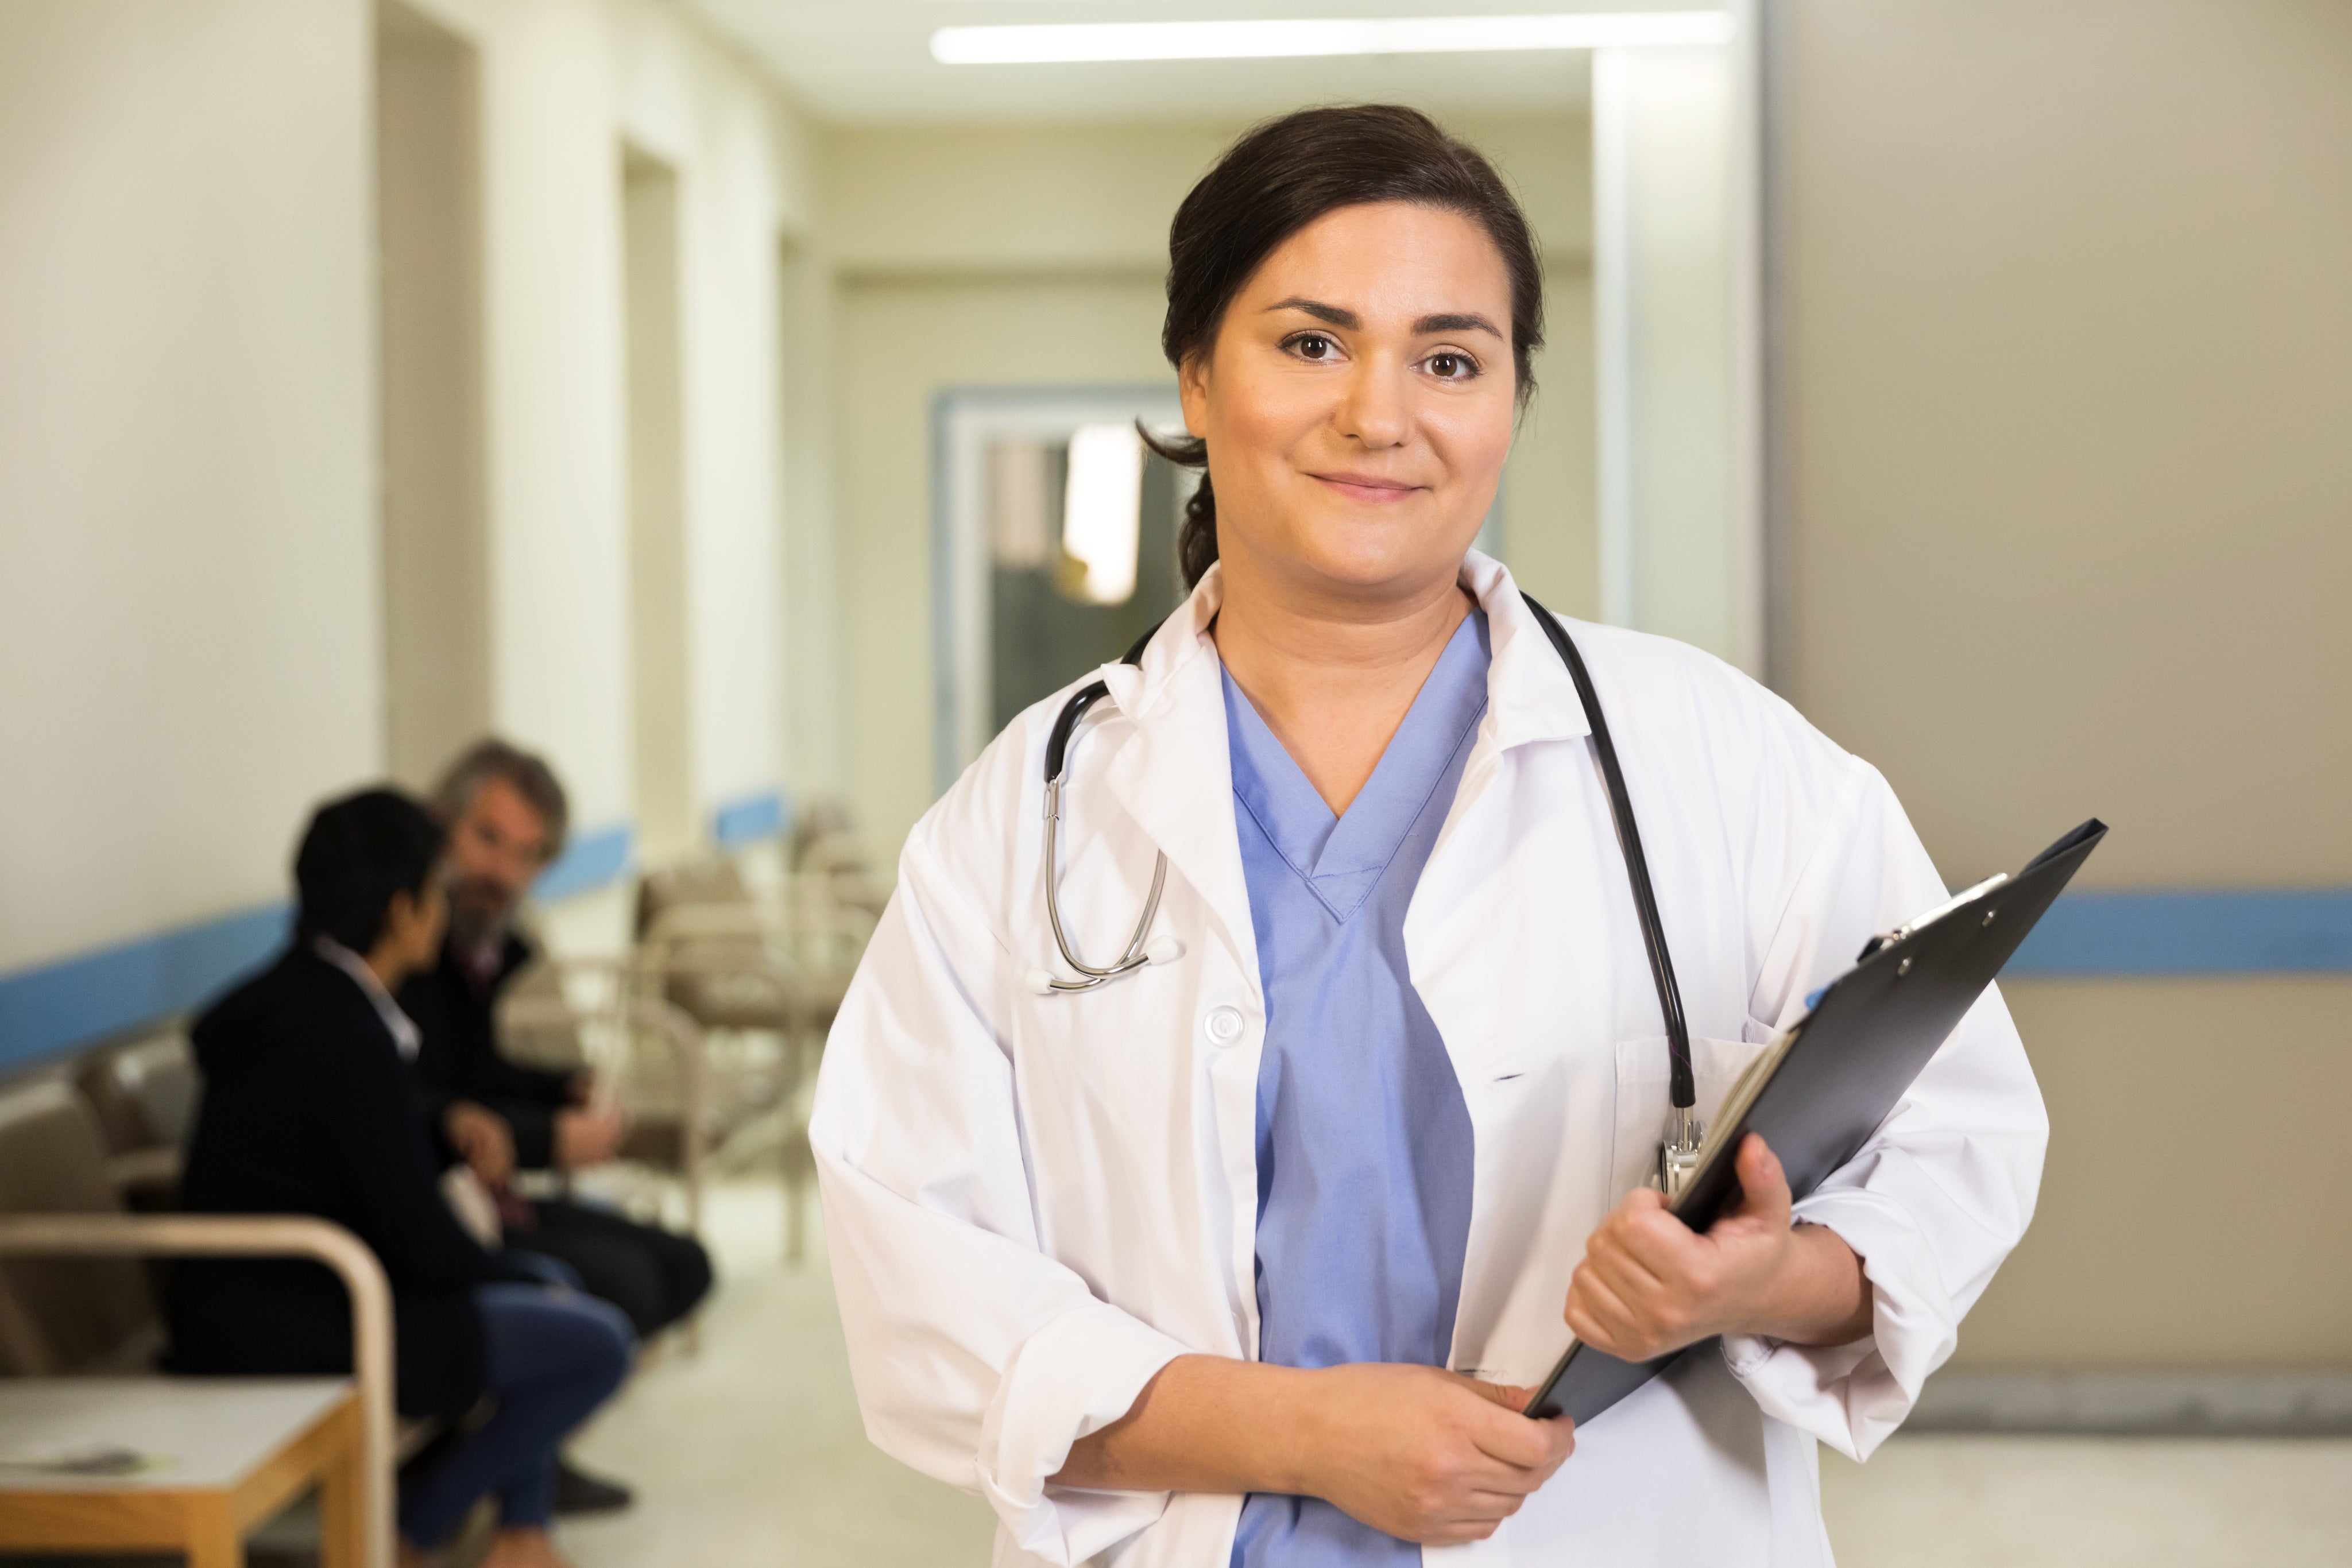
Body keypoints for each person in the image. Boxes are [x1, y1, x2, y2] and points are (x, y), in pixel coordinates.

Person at [810, 104, 2048, 1567]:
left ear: (1509, 405)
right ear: (1197, 377)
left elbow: (1953, 1143)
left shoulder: (1722, 759)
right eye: (1311, 343)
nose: (1378, 415)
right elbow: (925, 1298)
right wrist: (1302, 1434)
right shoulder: (1023, 814)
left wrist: (1758, 1283)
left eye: (1448, 358)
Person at [171, 788, 633, 1568]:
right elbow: (415, 1228)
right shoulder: (345, 1032)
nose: (444, 912)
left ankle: (521, 1534)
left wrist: (444, 1133)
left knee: (546, 1283)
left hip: (268, 1296)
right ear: (401, 911)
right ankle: (415, 1529)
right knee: (595, 1344)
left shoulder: (304, 1000)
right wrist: (505, 1275)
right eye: (436, 894)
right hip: (306, 1315)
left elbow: (354, 1159)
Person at [397, 739, 714, 1511]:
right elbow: (420, 1104)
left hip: (481, 1193)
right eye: (488, 840)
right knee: (619, 1287)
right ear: (440, 825)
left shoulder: (481, 947)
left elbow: (469, 1075)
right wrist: (547, 1141)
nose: (504, 874)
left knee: (684, 1264)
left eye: (529, 856)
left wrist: (558, 1093)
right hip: (435, 1215)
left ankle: (521, 1448)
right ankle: (490, 1477)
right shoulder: (400, 955)